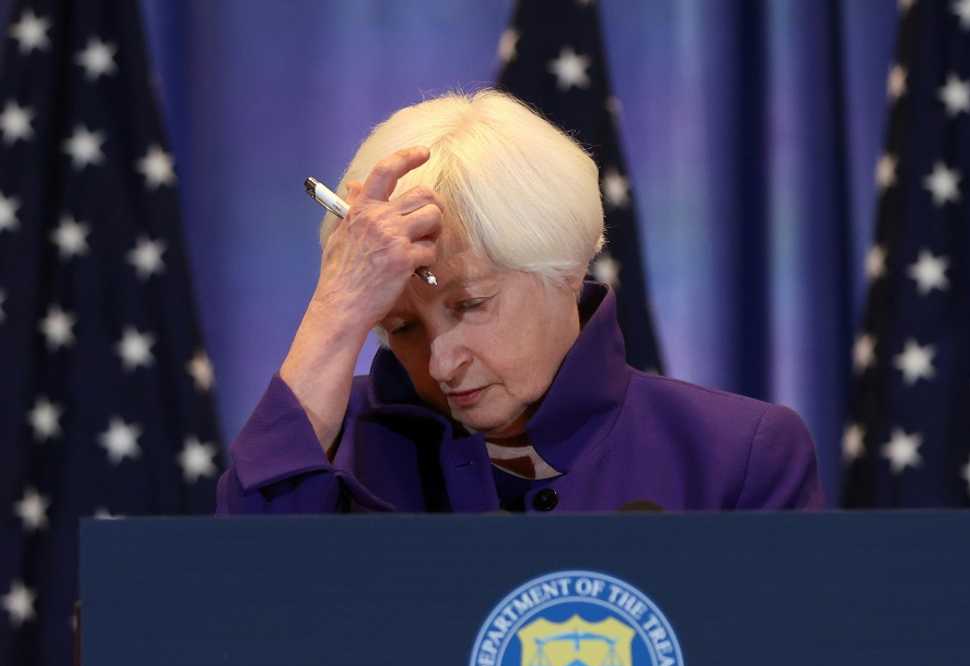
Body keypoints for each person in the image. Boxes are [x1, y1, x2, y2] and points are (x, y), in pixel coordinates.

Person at [217, 89, 824, 514]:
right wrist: (336, 310)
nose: (439, 363)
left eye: (470, 304)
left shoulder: (737, 456)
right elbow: (239, 618)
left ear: (564, 267)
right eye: (399, 327)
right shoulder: (329, 445)